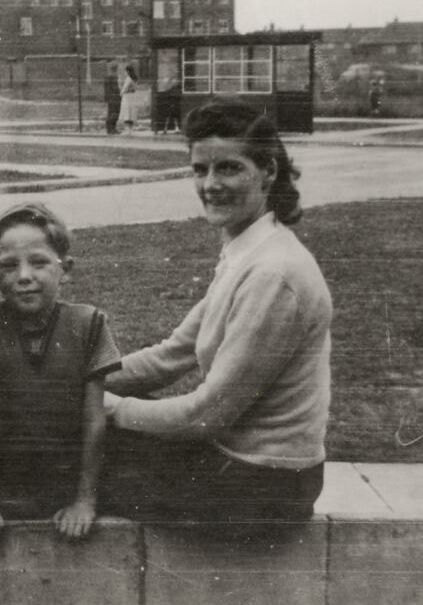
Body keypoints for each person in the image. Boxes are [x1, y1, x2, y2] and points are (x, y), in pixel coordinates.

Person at [101, 100, 332, 534]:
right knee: (73, 428)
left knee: (67, 457)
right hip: (241, 468)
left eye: (228, 168)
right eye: (200, 170)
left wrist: (109, 408)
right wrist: (81, 380)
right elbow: (172, 355)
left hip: (265, 485)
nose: (210, 185)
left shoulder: (274, 273)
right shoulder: (248, 252)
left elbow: (206, 415)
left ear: (268, 171)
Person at [0, 203, 120, 545]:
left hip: (65, 498)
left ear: (65, 268)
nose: (24, 276)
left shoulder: (88, 324)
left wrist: (85, 501)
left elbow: (94, 420)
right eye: (9, 266)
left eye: (39, 262)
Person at [117, 65, 139, 132]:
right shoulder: (135, 79)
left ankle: (127, 128)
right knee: (131, 112)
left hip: (127, 97)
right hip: (133, 96)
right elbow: (135, 88)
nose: (125, 73)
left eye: (125, 71)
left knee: (127, 112)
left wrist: (119, 86)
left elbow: (124, 89)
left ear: (128, 71)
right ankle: (131, 127)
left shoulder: (128, 79)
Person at [103, 63, 122, 134]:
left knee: (110, 112)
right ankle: (112, 128)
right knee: (115, 113)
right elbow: (115, 88)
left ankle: (109, 129)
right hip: (115, 98)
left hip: (110, 97)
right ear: (116, 69)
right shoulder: (114, 76)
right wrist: (121, 91)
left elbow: (106, 88)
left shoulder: (107, 76)